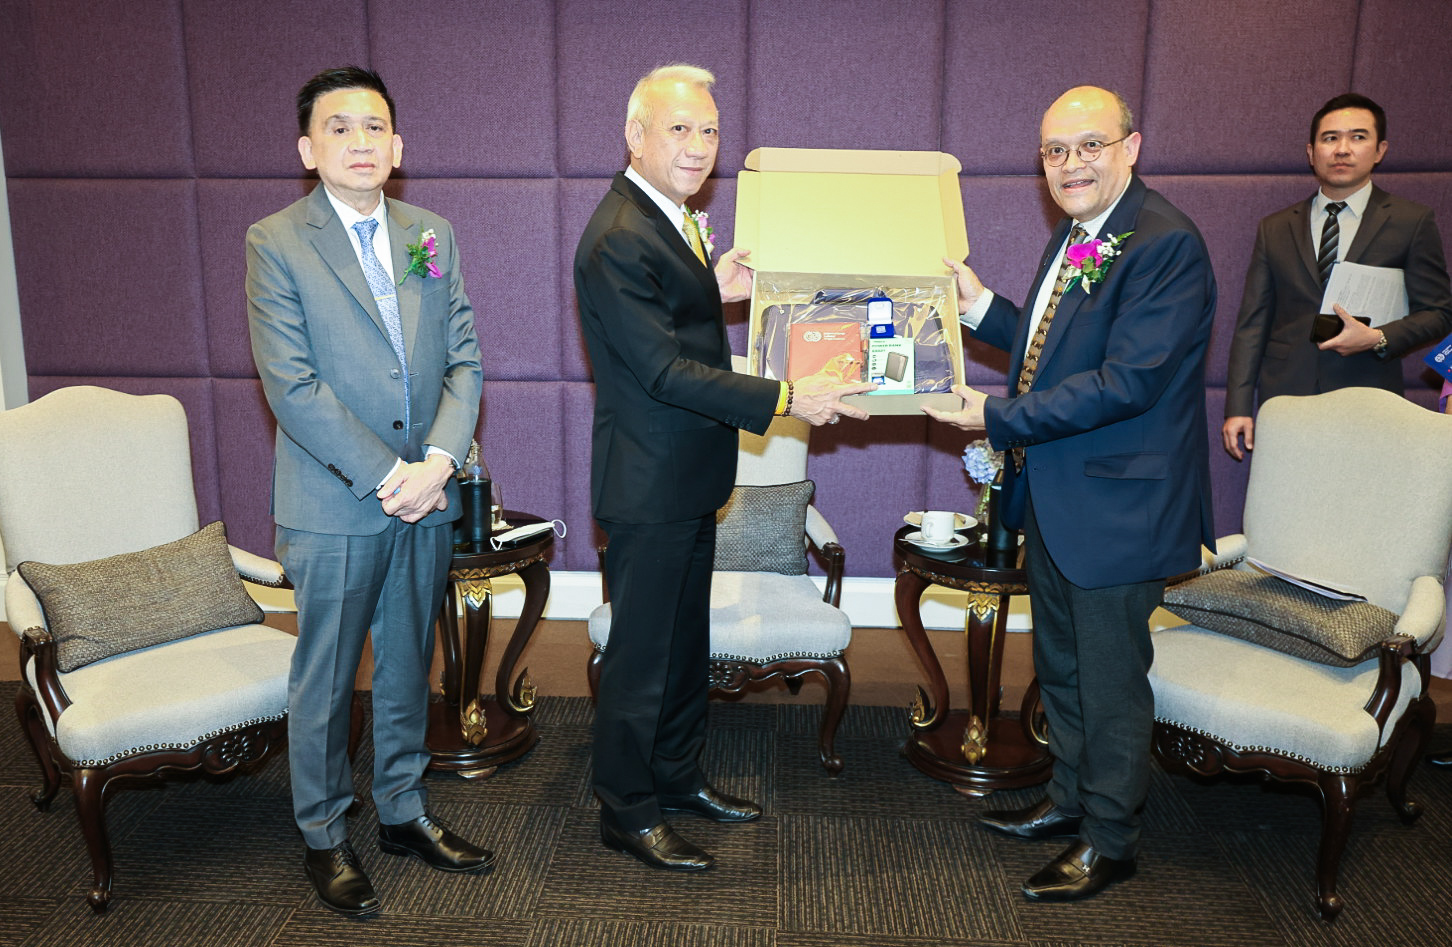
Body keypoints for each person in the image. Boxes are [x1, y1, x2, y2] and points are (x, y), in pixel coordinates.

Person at [573, 63, 873, 872]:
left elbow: (669, 319)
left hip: (691, 478)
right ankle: (626, 810)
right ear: (635, 135)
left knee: (683, 646)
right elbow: (663, 371)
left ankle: (676, 778)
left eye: (709, 130)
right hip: (649, 484)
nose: (699, 145)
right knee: (641, 659)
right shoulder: (618, 233)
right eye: (679, 128)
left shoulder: (667, 218)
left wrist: (712, 285)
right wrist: (787, 396)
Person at [926, 86, 1216, 901]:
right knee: (1061, 663)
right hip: (1059, 496)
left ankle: (1111, 839)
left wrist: (993, 415)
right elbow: (1051, 347)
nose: (1070, 164)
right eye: (1055, 150)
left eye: (1090, 145)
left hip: (1121, 507)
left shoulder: (1165, 244)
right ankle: (1068, 800)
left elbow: (1127, 382)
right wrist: (981, 307)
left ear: (1132, 147)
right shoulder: (1080, 234)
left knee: (1111, 680)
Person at [246, 66, 492, 916]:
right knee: (325, 677)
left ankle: (402, 809)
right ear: (307, 149)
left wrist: (438, 462)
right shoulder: (276, 241)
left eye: (375, 127)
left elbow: (464, 359)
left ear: (399, 145)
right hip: (336, 501)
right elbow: (292, 386)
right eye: (340, 127)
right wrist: (392, 475)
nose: (361, 142)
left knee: (407, 662)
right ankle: (323, 833)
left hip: (427, 492)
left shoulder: (432, 233)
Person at [1222, 93, 1452, 460]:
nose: (1342, 149)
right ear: (1311, 152)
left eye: (1358, 137)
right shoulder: (1275, 227)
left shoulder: (1412, 222)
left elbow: (1439, 313)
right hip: (1287, 397)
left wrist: (1378, 338)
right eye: (1330, 138)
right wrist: (1237, 407)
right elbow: (1253, 323)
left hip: (1370, 394)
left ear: (1380, 150)